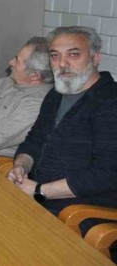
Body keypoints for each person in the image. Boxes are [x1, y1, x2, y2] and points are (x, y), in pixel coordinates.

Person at [8, 26, 117, 231]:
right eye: (55, 55)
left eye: (73, 54)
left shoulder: (110, 101)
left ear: (95, 58)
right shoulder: (56, 95)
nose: (62, 63)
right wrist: (21, 166)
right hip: (37, 201)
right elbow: (34, 140)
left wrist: (40, 190)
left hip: (80, 215)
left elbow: (107, 173)